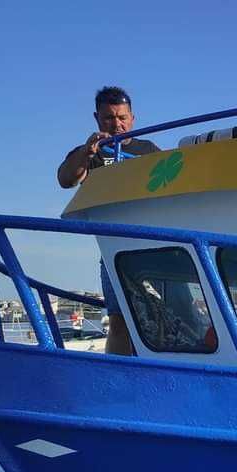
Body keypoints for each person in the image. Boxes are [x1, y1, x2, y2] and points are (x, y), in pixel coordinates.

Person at [58, 86, 159, 355]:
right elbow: (65, 179)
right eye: (109, 118)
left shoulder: (149, 150)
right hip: (116, 249)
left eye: (122, 117)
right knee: (119, 319)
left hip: (157, 246)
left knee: (175, 312)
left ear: (133, 118)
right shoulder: (88, 153)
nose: (117, 124)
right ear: (97, 119)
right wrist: (87, 154)